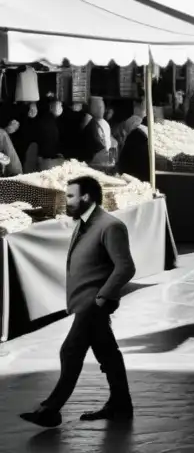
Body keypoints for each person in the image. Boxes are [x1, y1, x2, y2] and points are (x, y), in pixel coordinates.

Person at [20, 175, 136, 428]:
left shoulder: (110, 226)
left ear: (86, 197)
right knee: (107, 353)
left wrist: (103, 296)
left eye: (71, 196)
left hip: (93, 305)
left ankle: (50, 410)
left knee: (70, 351)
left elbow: (125, 267)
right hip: (86, 303)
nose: (66, 201)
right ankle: (121, 404)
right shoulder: (84, 224)